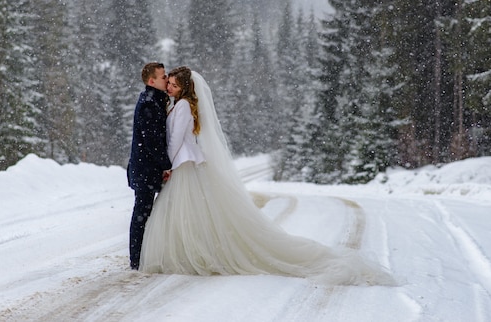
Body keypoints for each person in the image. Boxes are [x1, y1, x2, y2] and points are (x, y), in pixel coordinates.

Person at [141, 66, 395, 285]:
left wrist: (168, 166)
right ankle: (191, 252)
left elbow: (174, 141)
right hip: (184, 162)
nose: (170, 87)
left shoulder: (183, 105)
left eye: (173, 85)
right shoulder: (180, 104)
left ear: (184, 88)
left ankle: (190, 254)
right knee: (190, 213)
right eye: (169, 83)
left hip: (182, 163)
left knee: (184, 212)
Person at [127, 62, 172, 271]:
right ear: (152, 81)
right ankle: (136, 260)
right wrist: (166, 165)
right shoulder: (148, 103)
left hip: (147, 168)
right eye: (163, 76)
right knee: (142, 214)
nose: (167, 79)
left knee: (149, 211)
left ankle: (146, 255)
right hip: (145, 170)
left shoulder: (156, 100)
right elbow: (151, 141)